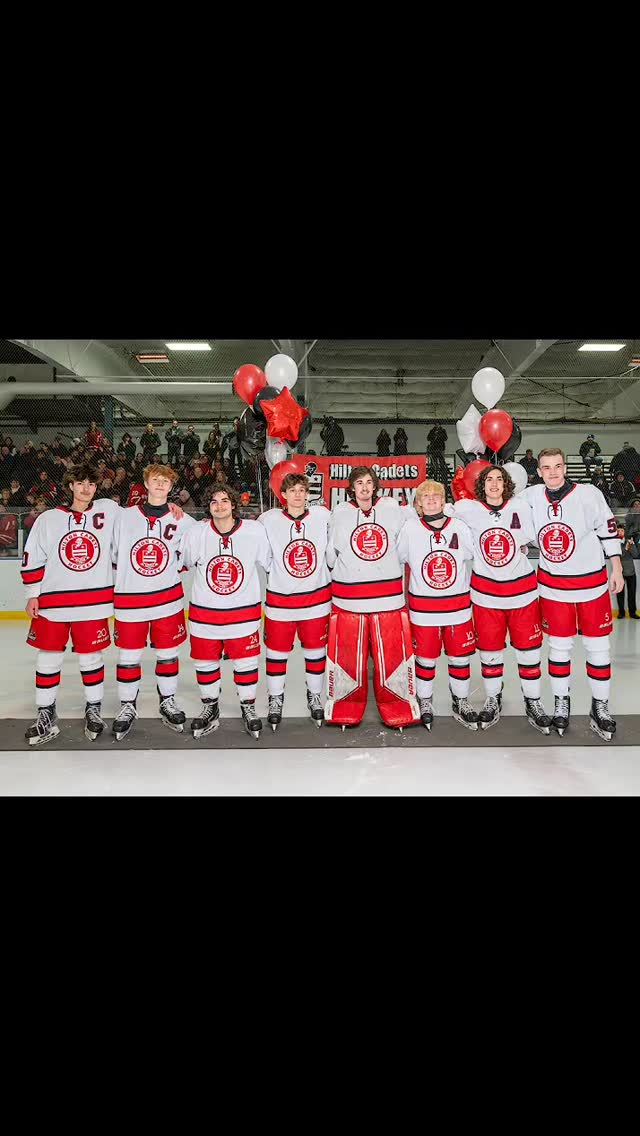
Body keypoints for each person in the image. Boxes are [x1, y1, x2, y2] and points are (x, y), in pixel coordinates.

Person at [520, 448, 623, 741]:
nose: (552, 472)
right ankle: (561, 703)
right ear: (538, 471)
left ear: (565, 468)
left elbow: (608, 530)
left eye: (557, 466)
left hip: (592, 585)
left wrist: (616, 568)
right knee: (559, 648)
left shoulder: (589, 494)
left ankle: (600, 706)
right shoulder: (529, 497)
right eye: (546, 467)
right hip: (553, 587)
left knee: (598, 648)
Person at [20, 464, 121, 745]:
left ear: (97, 488)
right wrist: (32, 593)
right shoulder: (49, 519)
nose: (86, 488)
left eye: (91, 483)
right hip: (53, 601)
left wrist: (172, 508)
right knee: (48, 657)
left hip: (94, 602)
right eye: (80, 483)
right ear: (70, 486)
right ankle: (45, 712)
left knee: (91, 658)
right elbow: (33, 555)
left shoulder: (109, 511)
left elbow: (141, 517)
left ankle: (93, 708)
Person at [448, 465, 552, 734]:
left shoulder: (521, 506)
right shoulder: (467, 509)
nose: (494, 484)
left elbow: (538, 532)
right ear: (481, 485)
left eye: (499, 479)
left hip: (523, 594)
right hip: (486, 596)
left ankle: (533, 701)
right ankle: (493, 698)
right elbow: (438, 514)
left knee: (529, 652)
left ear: (506, 484)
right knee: (490, 652)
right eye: (489, 480)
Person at [325, 466, 420, 729]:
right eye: (359, 483)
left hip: (388, 599)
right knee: (347, 661)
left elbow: (406, 541)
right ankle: (344, 706)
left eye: (369, 482)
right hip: (348, 600)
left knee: (393, 660)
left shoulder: (392, 508)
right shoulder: (340, 513)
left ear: (375, 485)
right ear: (351, 487)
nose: (365, 487)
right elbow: (331, 553)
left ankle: (399, 706)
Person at [110, 464, 195, 741]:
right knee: (128, 657)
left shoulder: (184, 521)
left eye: (165, 481)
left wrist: (169, 569)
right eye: (155, 479)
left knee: (167, 654)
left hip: (166, 600)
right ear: (145, 483)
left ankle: (167, 701)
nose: (160, 484)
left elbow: (189, 556)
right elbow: (113, 554)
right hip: (129, 599)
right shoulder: (123, 517)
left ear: (171, 487)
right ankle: (127, 705)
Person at [180, 485, 272, 739]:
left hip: (243, 614)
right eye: (214, 502)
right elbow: (184, 562)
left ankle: (248, 706)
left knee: (246, 662)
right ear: (208, 507)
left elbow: (270, 563)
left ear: (233, 504)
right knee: (205, 662)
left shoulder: (253, 531)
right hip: (205, 614)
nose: (219, 506)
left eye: (224, 501)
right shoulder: (197, 532)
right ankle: (210, 706)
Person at [397, 480, 478, 730]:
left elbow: (470, 554)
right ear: (418, 503)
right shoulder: (410, 528)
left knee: (459, 658)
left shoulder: (459, 527)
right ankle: (425, 701)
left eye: (436, 495)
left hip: (457, 606)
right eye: (426, 496)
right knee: (425, 659)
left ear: (444, 501)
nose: (431, 499)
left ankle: (460, 700)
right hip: (424, 609)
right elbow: (400, 557)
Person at [259, 473, 332, 730]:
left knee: (316, 652)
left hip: (317, 600)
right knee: (276, 653)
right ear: (284, 494)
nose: (298, 494)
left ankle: (315, 697)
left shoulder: (322, 515)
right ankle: (275, 699)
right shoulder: (268, 519)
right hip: (280, 602)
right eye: (292, 490)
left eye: (302, 490)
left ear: (307, 493)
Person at [615, 524, 639, 619]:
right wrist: (625, 549)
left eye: (622, 531)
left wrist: (632, 545)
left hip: (631, 572)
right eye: (618, 531)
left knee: (631, 594)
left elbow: (635, 554)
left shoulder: (629, 542)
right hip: (619, 573)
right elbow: (618, 556)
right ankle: (621, 613)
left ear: (624, 532)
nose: (620, 532)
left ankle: (632, 613)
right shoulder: (614, 544)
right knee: (620, 594)